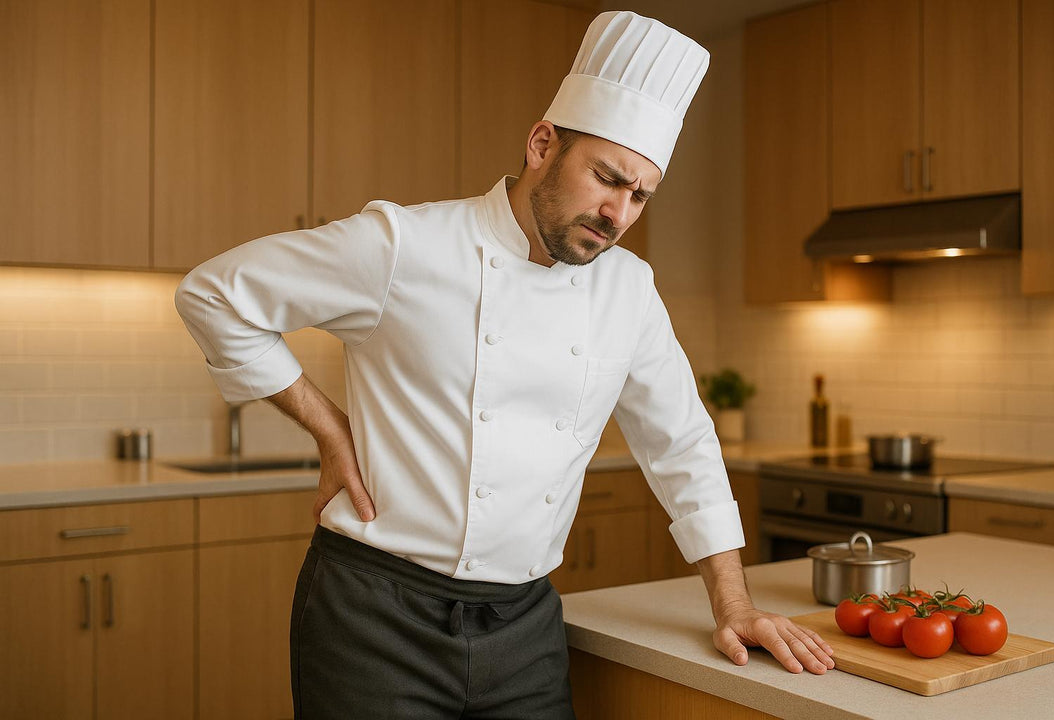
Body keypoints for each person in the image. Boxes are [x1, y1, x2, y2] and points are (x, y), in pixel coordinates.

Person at [175, 10, 833, 719]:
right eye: (606, 178)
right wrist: (328, 426)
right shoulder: (406, 245)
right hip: (373, 621)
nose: (617, 213)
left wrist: (733, 603)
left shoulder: (627, 290)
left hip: (523, 626)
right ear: (542, 143)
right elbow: (214, 294)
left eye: (639, 195)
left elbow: (681, 444)